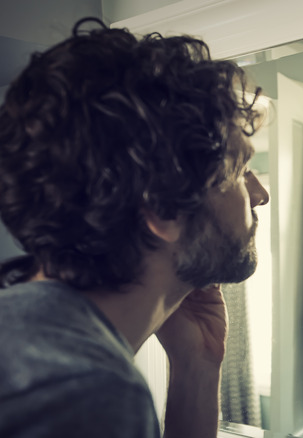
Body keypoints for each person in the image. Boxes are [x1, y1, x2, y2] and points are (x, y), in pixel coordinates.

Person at [0, 18, 269, 438]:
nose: (259, 194)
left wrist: (196, 366)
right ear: (163, 208)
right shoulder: (83, 391)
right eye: (241, 171)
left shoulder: (31, 337)